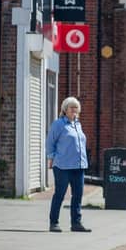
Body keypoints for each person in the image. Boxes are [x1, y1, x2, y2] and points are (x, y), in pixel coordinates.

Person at [46, 96, 91, 233]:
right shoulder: (58, 124)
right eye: (71, 107)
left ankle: (76, 223)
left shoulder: (78, 124)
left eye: (76, 107)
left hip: (79, 166)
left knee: (78, 195)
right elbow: (50, 143)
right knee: (60, 194)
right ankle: (54, 223)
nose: (74, 110)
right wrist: (51, 158)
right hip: (62, 166)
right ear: (65, 109)